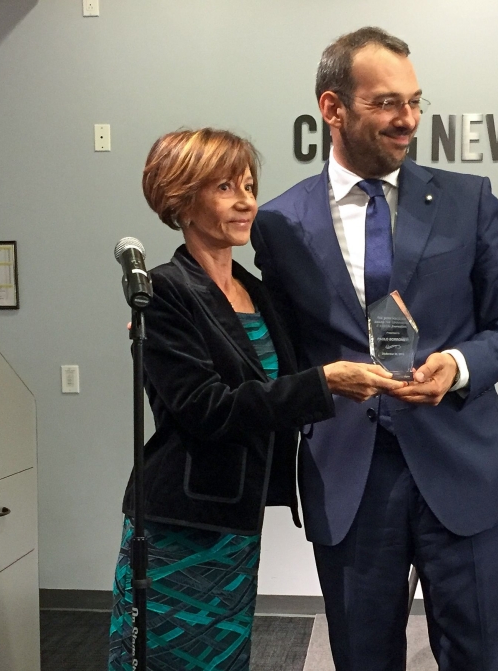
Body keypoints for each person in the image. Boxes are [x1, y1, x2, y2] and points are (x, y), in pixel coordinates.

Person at [251, 27, 498, 671]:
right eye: (385, 103)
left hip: (464, 467)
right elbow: (277, 341)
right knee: (362, 658)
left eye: (415, 102)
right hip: (350, 476)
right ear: (333, 108)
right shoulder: (278, 223)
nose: (407, 120)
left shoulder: (469, 200)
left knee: (483, 658)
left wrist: (459, 365)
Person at [108, 128, 404, 671]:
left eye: (248, 185)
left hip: (238, 519)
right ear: (183, 200)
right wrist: (326, 383)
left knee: (222, 658)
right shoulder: (165, 290)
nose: (247, 201)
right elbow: (206, 408)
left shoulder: (258, 291)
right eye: (226, 187)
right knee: (168, 659)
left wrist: (394, 337)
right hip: (182, 521)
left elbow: (299, 364)